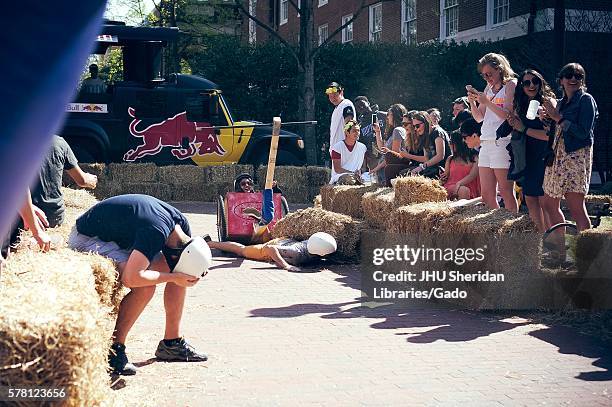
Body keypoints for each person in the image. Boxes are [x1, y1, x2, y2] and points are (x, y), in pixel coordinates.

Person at [68, 194, 211, 375]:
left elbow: (180, 263)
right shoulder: (156, 231)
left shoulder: (182, 227)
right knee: (145, 286)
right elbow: (131, 278)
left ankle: (171, 343)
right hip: (89, 238)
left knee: (179, 271)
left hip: (120, 238)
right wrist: (173, 277)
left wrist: (189, 272)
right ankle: (114, 350)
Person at [541, 63, 598, 234]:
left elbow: (583, 133)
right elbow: (555, 132)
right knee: (548, 204)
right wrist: (546, 120)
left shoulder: (586, 100)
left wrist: (557, 118)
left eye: (578, 76)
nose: (573, 79)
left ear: (583, 81)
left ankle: (587, 254)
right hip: (557, 159)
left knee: (576, 209)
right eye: (569, 75)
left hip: (575, 158)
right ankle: (561, 250)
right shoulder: (560, 103)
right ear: (561, 80)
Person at [506, 69, 557, 232]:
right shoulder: (521, 104)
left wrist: (524, 128)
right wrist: (513, 122)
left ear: (540, 83)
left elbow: (550, 137)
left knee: (546, 204)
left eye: (535, 81)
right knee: (531, 201)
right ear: (521, 86)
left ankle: (556, 246)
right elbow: (518, 129)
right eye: (526, 82)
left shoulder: (548, 102)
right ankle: (541, 243)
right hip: (527, 157)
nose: (531, 85)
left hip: (544, 158)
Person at [468, 53, 518, 212]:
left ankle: (513, 229)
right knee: (487, 194)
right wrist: (472, 102)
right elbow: (478, 118)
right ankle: (495, 229)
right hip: (486, 142)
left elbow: (508, 115)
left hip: (502, 142)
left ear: (500, 69)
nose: (487, 78)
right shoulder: (488, 88)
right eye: (484, 75)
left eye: (489, 74)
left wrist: (487, 102)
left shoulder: (511, 85)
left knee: (505, 192)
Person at [32, 135, 98, 227]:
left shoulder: (14, 144)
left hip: (29, 216)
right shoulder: (59, 142)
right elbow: (82, 181)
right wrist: (93, 180)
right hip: (54, 217)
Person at [209, 232, 337, 273]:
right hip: (270, 248)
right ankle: (210, 244)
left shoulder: (312, 242)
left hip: (284, 241)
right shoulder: (297, 253)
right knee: (241, 250)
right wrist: (286, 265)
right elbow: (271, 249)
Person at [383, 111, 450, 181]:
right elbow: (427, 157)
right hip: (430, 167)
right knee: (396, 171)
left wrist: (421, 167)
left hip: (442, 169)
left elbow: (440, 156)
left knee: (404, 174)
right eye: (414, 126)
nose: (415, 129)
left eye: (417, 126)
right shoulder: (424, 135)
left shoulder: (437, 132)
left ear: (426, 122)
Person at [370, 104, 408, 185]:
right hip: (384, 168)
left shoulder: (397, 130)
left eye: (388, 114)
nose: (387, 117)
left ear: (395, 115)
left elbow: (393, 156)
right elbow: (382, 148)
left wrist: (376, 168)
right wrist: (377, 131)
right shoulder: (394, 131)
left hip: (388, 169)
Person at [441, 131, 480, 200]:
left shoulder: (475, 158)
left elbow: (472, 175)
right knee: (463, 190)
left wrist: (458, 184)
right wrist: (443, 178)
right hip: (451, 187)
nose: (449, 145)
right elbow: (446, 177)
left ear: (459, 143)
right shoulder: (450, 159)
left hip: (467, 189)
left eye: (451, 142)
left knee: (464, 190)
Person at [329, 120, 367, 185]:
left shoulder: (363, 147)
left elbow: (364, 167)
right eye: (354, 131)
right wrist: (352, 173)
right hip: (341, 175)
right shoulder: (337, 147)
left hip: (357, 175)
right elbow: (338, 169)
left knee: (371, 178)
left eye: (358, 130)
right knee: (348, 178)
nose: (357, 133)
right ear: (347, 132)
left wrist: (360, 172)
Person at [354, 95, 385, 171]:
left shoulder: (382, 115)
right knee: (377, 178)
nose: (360, 107)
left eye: (362, 104)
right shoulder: (360, 126)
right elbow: (361, 145)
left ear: (368, 103)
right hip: (373, 156)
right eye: (358, 107)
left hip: (387, 149)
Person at [326, 82, 355, 154]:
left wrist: (348, 146)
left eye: (335, 95)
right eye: (330, 96)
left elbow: (350, 124)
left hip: (345, 150)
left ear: (341, 92)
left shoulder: (346, 104)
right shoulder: (337, 108)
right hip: (337, 151)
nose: (333, 98)